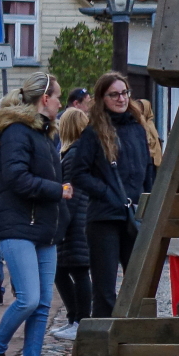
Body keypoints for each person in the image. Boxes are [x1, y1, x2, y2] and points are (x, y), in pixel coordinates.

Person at [0, 72, 71, 356]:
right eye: (58, 97)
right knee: (29, 299)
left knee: (43, 303)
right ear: (44, 99)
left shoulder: (47, 134)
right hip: (18, 226)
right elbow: (15, 179)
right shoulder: (17, 132)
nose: (61, 103)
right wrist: (56, 189)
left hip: (44, 229)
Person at [65, 72, 157, 322]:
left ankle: (133, 333)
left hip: (134, 214)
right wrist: (108, 193)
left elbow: (147, 168)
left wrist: (147, 201)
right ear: (102, 98)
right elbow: (79, 173)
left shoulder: (138, 129)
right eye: (114, 94)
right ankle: (103, 338)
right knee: (105, 287)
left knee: (137, 282)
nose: (121, 99)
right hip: (104, 217)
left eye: (124, 93)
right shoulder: (94, 132)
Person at [50, 107, 93, 340]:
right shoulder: (79, 152)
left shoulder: (73, 154)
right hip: (80, 218)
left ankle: (80, 319)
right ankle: (75, 318)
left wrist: (62, 224)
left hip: (75, 220)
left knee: (75, 270)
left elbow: (71, 192)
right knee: (69, 270)